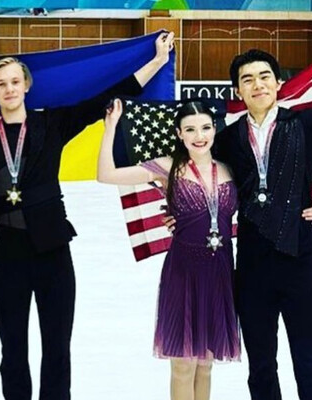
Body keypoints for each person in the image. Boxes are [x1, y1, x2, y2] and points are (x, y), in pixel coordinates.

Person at [0, 31, 176, 400]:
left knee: (57, 349)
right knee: (13, 351)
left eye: (15, 82)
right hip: (10, 252)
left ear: (27, 86)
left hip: (53, 247)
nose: (9, 89)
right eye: (0, 84)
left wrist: (157, 62)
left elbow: (107, 97)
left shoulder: (52, 123)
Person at [211, 46, 312, 400]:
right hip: (252, 268)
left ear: (279, 83)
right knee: (262, 368)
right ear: (238, 91)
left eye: (265, 76)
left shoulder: (306, 123)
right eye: (247, 79)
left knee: (311, 365)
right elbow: (191, 173)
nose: (258, 85)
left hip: (300, 263)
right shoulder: (225, 140)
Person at [98, 99, 241, 400]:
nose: (198, 135)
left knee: (206, 365)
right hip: (183, 272)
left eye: (204, 127)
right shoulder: (167, 167)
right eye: (190, 129)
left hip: (220, 272)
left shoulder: (230, 168)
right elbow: (106, 175)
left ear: (215, 129)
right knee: (183, 366)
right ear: (179, 134)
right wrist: (111, 127)